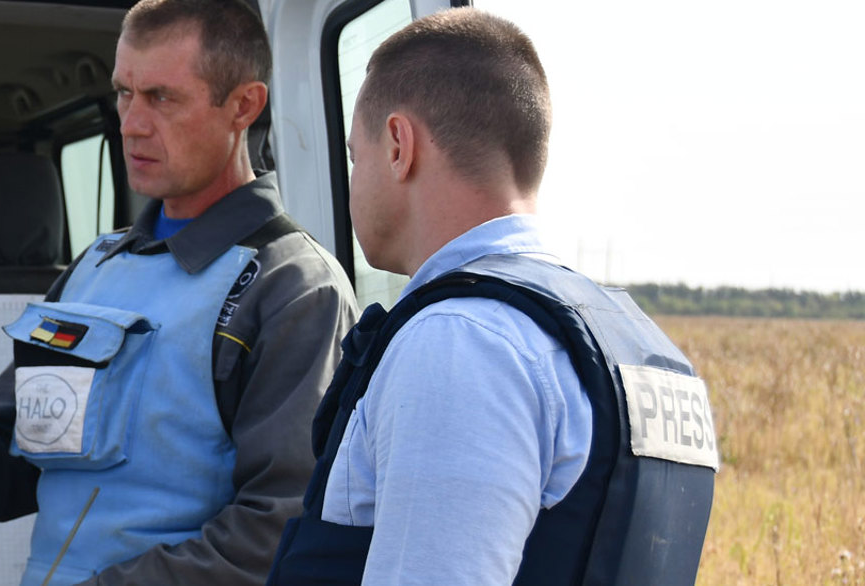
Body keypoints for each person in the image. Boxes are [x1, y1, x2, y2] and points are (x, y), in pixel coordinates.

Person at [0, 1, 355, 584]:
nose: (132, 123)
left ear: (244, 106)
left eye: (162, 97)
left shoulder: (291, 288)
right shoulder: (96, 268)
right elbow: (16, 457)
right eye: (123, 93)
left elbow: (277, 529)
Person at [265, 8, 717, 585]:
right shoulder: (641, 349)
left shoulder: (461, 341)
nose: (355, 177)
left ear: (400, 145)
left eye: (357, 156)